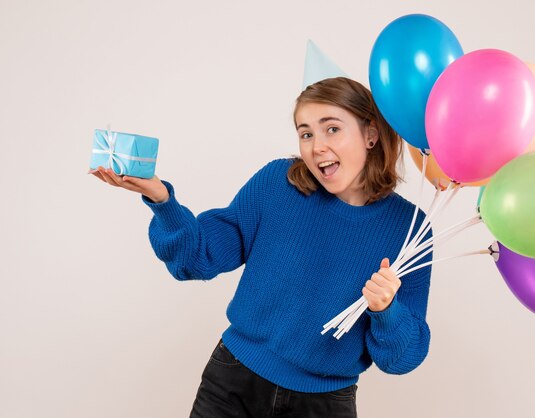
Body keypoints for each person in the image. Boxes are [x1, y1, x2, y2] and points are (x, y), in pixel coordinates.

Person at [90, 77, 432, 418]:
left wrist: (386, 309)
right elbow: (198, 257)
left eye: (332, 129)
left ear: (370, 134)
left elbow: (402, 359)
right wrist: (161, 199)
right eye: (306, 133)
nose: (316, 147)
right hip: (232, 384)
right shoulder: (278, 184)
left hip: (324, 405)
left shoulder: (411, 230)